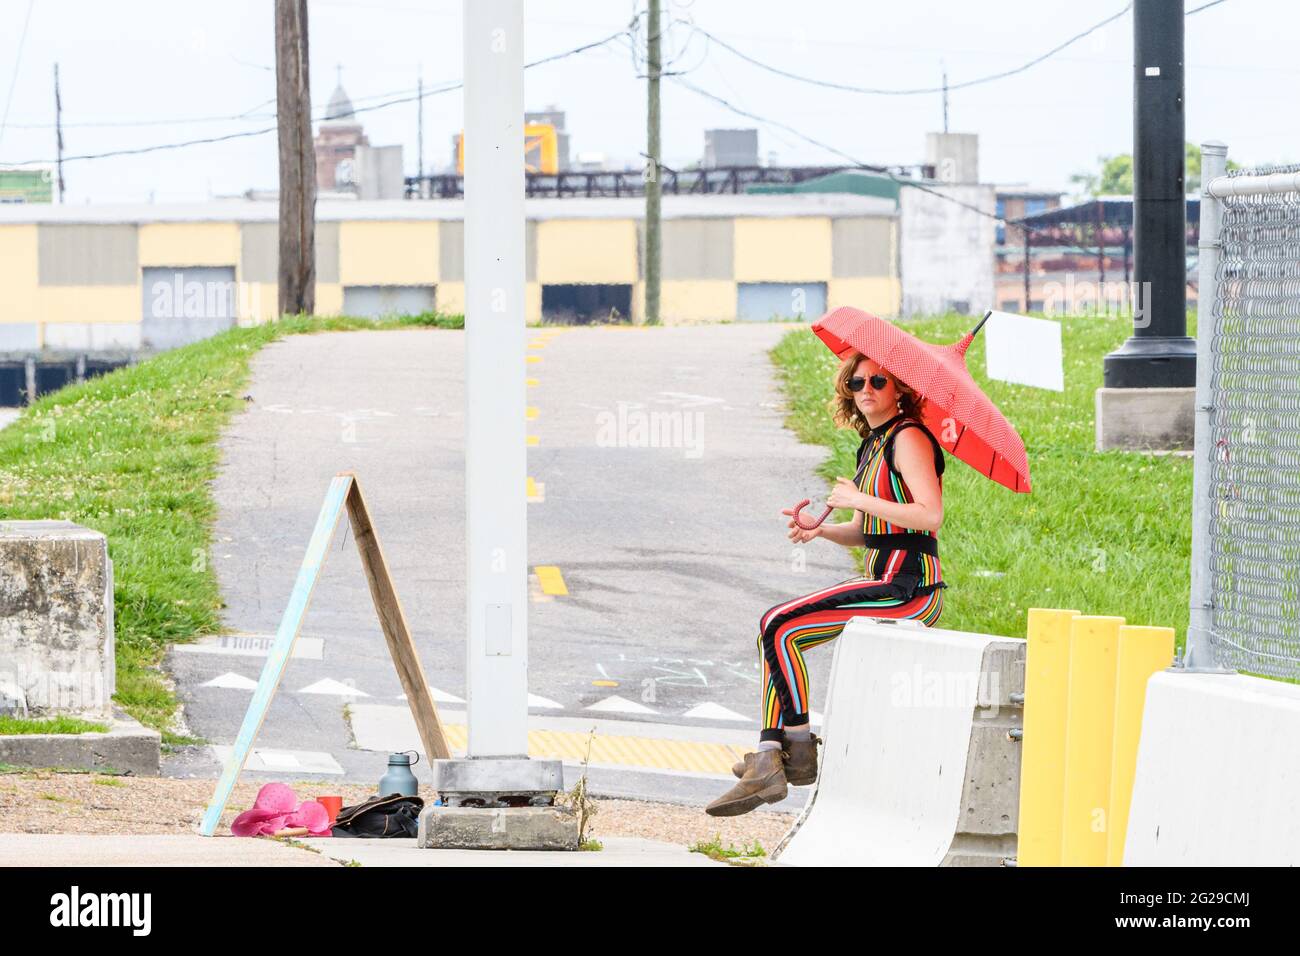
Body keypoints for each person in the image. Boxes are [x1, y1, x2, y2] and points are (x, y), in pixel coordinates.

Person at [705, 350, 948, 817]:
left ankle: (794, 752)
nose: (866, 390)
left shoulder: (910, 437)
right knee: (778, 633)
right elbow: (865, 531)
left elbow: (929, 515)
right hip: (883, 580)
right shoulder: (873, 444)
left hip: (910, 589)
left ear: (899, 388)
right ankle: (770, 754)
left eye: (878, 381)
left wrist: (859, 498)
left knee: (778, 623)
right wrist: (819, 531)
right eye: (857, 383)